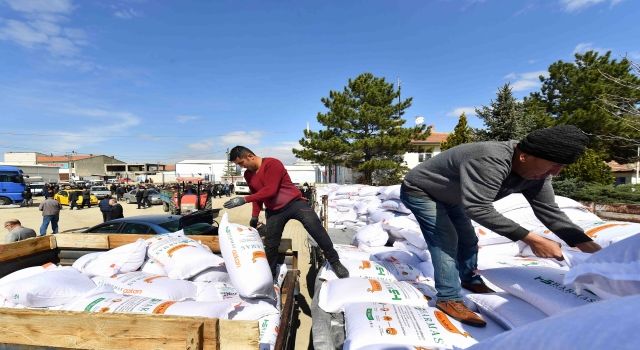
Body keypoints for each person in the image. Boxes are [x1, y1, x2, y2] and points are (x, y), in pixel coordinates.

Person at [400, 125, 602, 328]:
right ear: (524, 156)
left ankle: (470, 279)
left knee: (469, 239)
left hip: (453, 198)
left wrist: (592, 248)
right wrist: (534, 240)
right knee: (446, 240)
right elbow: (478, 208)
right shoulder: (491, 159)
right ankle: (448, 297)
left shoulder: (538, 175)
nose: (556, 173)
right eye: (553, 165)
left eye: (561, 167)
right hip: (422, 191)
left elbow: (549, 211)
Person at [224, 146, 349, 278]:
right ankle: (270, 275)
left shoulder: (272, 164)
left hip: (295, 203)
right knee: (271, 244)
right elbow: (257, 195)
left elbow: (270, 190)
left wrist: (244, 199)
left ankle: (335, 261)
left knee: (315, 227)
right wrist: (254, 216)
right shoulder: (248, 174)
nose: (242, 167)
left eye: (241, 163)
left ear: (250, 156)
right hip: (274, 211)